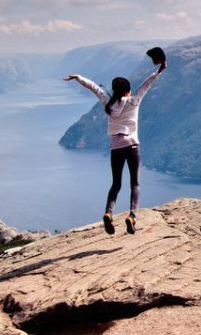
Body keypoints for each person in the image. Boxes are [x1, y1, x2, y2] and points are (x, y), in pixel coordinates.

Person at [64, 60, 166, 234]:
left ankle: (108, 213)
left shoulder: (108, 103)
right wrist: (160, 70)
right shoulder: (134, 100)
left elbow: (94, 88)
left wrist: (78, 77)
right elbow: (147, 83)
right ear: (128, 90)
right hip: (132, 145)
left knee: (116, 183)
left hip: (116, 147)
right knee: (135, 183)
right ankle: (132, 216)